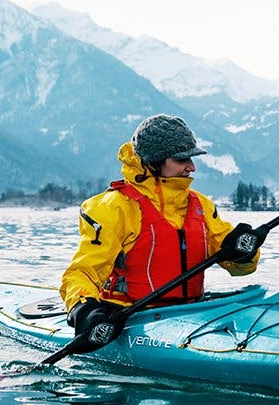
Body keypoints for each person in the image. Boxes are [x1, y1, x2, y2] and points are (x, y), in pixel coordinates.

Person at [60, 114, 265, 350]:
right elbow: (80, 274)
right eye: (181, 159)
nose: (192, 166)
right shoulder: (116, 209)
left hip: (192, 314)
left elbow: (242, 270)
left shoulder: (201, 206)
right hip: (131, 320)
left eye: (191, 157)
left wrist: (244, 252)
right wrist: (85, 310)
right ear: (154, 161)